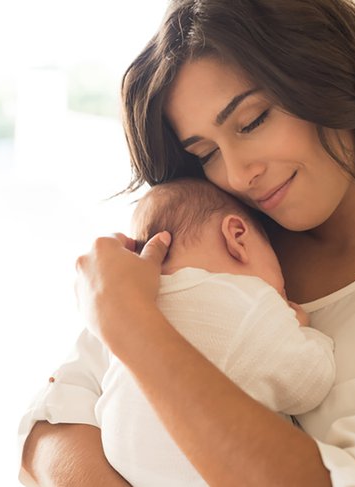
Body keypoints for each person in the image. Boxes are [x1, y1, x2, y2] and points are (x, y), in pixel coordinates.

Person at [20, 0, 355, 486]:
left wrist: (130, 324)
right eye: (205, 153)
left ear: (331, 75)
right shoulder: (217, 243)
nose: (239, 174)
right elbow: (49, 432)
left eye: (251, 121)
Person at [97, 177, 335, 486]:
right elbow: (310, 384)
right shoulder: (247, 302)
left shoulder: (132, 305)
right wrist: (304, 330)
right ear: (237, 236)